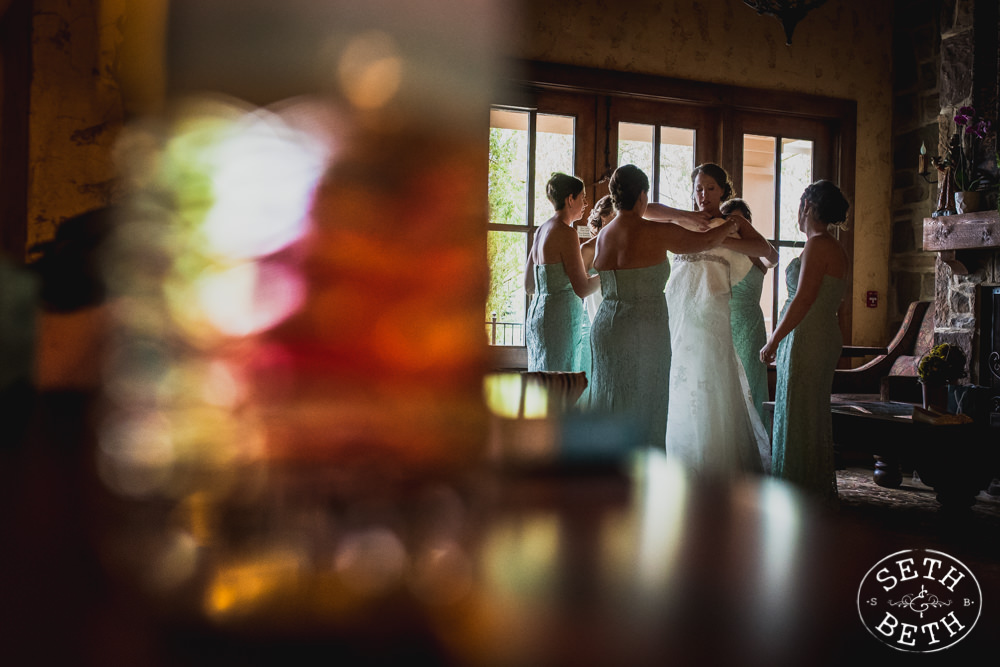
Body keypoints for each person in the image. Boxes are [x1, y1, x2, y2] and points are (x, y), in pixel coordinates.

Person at [588, 164, 734, 449]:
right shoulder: (655, 231)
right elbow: (704, 241)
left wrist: (686, 215)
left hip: (606, 327)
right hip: (645, 329)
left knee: (611, 400)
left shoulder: (604, 234)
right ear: (642, 195)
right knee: (647, 404)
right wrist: (732, 224)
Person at [664, 164, 772, 477]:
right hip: (679, 321)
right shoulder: (683, 222)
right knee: (679, 389)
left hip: (712, 320)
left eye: (711, 188)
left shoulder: (731, 223)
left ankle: (717, 468)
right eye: (698, 187)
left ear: (723, 190)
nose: (703, 195)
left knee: (713, 390)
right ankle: (681, 463)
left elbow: (766, 251)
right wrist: (684, 217)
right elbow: (648, 212)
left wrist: (722, 238)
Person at [760, 180, 850, 503]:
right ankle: (806, 485)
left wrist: (773, 341)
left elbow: (803, 300)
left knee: (799, 412)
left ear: (808, 207)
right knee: (809, 411)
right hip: (821, 334)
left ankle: (799, 491)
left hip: (808, 335)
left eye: (800, 205)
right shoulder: (834, 246)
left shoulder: (818, 244)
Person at [525, 173, 600, 372]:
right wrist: (609, 274)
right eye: (582, 197)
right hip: (560, 321)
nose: (585, 203)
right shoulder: (567, 233)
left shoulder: (541, 230)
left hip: (537, 317)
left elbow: (529, 285)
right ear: (570, 199)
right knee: (561, 381)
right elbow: (582, 289)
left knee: (544, 378)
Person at [719, 197, 778, 431]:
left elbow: (773, 258)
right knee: (726, 387)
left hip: (751, 328)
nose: (736, 227)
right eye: (731, 222)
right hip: (722, 323)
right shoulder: (720, 250)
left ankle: (757, 446)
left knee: (752, 387)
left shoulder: (758, 252)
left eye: (741, 222)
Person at [578, 194, 615, 405]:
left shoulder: (626, 247)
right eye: (608, 222)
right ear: (600, 220)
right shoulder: (587, 250)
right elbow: (579, 288)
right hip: (591, 319)